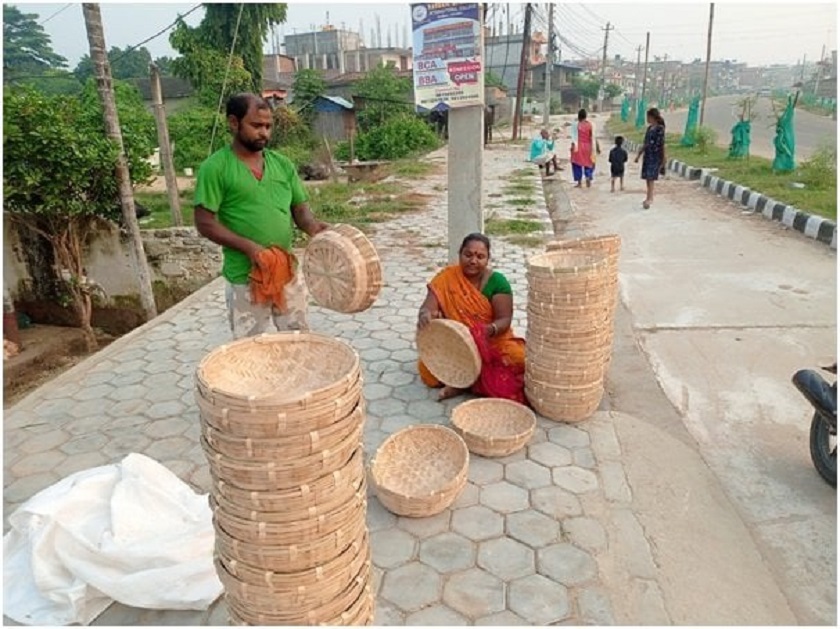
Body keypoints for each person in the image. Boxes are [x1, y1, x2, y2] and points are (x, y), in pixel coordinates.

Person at [194, 93, 329, 339]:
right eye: (256, 126)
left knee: (299, 340)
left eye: (268, 126)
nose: (264, 133)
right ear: (234, 123)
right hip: (245, 277)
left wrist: (313, 227)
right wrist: (250, 248)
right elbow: (204, 223)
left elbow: (299, 210)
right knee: (251, 349)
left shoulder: (282, 164)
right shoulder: (215, 168)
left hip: (286, 270)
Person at [417, 234, 526, 403]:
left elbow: (504, 320)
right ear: (460, 254)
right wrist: (425, 315)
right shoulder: (446, 278)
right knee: (428, 373)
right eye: (468, 255)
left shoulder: (498, 282)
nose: (473, 261)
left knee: (519, 359)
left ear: (488, 259)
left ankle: (463, 382)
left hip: (492, 341)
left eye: (480, 256)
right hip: (458, 344)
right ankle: (467, 380)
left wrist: (485, 331)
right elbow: (428, 307)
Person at [634, 107, 667, 209]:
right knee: (647, 177)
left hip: (655, 155)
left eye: (647, 117)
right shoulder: (649, 128)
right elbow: (646, 143)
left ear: (652, 117)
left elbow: (662, 144)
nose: (646, 119)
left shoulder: (660, 129)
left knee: (651, 177)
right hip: (648, 155)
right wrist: (639, 155)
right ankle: (648, 196)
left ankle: (650, 198)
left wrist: (664, 158)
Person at [569, 109, 600, 188]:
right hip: (588, 147)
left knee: (576, 164)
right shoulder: (591, 125)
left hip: (578, 147)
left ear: (579, 116)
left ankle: (579, 183)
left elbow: (574, 138)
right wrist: (597, 148)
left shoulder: (575, 125)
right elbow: (593, 137)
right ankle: (588, 176)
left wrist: (571, 148)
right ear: (586, 116)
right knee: (589, 163)